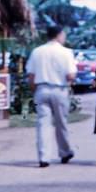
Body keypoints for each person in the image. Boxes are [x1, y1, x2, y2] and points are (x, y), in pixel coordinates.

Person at [26, 25, 77, 168]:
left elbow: (31, 75)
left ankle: (44, 156)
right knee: (61, 123)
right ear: (59, 35)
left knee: (43, 124)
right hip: (59, 89)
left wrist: (34, 90)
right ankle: (65, 151)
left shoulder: (37, 52)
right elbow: (71, 75)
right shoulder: (66, 52)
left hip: (41, 89)